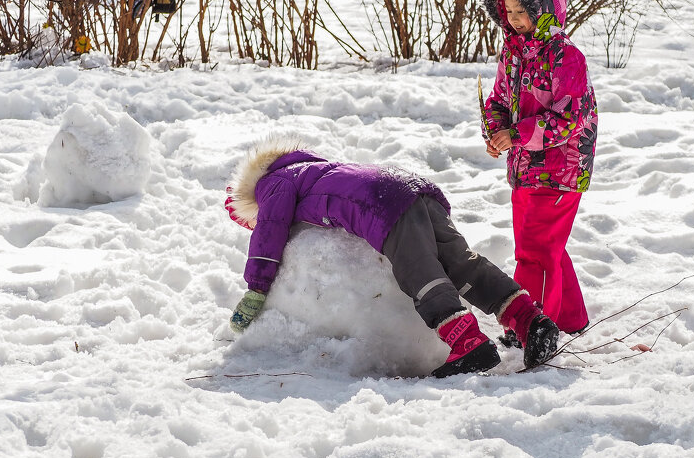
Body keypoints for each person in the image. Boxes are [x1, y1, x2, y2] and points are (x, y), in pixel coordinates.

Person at [223, 134, 561, 378]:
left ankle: (467, 343)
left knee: (419, 271)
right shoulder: (316, 169)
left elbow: (270, 230)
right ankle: (530, 319)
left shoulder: (273, 182)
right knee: (460, 262)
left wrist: (256, 289)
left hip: (382, 206)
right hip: (413, 188)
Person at [479, 0, 598, 341]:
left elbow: (570, 118)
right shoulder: (513, 51)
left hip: (560, 168)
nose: (514, 19)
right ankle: (570, 318)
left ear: (544, 9)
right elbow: (498, 99)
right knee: (547, 247)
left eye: (522, 11)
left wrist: (519, 134)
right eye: (508, 11)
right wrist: (498, 129)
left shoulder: (566, 58)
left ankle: (531, 328)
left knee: (536, 251)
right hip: (525, 166)